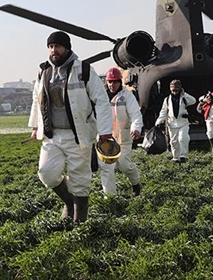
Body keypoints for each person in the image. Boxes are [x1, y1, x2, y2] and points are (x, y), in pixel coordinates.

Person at [28, 31, 114, 224]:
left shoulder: (84, 70)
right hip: (52, 135)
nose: (53, 50)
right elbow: (36, 99)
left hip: (79, 135)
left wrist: (105, 130)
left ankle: (79, 222)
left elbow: (101, 100)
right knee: (46, 173)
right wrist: (35, 126)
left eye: (57, 46)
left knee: (80, 179)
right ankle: (68, 202)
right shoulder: (43, 72)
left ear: (67, 48)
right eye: (51, 47)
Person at [98, 67, 144, 196]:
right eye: (110, 82)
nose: (112, 85)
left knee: (125, 165)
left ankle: (135, 183)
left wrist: (135, 128)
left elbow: (135, 114)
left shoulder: (127, 96)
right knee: (106, 168)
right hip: (106, 139)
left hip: (123, 138)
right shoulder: (101, 96)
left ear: (120, 82)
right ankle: (110, 197)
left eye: (115, 82)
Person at [155, 79, 197, 163]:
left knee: (182, 138)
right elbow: (163, 112)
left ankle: (183, 156)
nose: (175, 92)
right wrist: (158, 122)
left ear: (180, 89)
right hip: (172, 123)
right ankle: (176, 157)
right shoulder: (167, 100)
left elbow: (193, 101)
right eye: (173, 90)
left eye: (176, 90)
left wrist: (184, 94)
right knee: (174, 141)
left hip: (183, 122)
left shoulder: (184, 98)